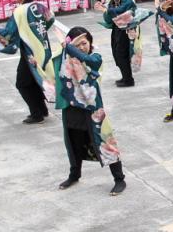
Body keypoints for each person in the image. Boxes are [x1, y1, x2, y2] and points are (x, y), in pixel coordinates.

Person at [54, 26, 126, 195]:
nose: (81, 47)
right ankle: (74, 174)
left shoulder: (95, 57)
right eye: (77, 44)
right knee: (73, 142)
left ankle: (119, 179)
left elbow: (89, 62)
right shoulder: (65, 56)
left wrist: (69, 46)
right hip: (72, 107)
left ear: (90, 42)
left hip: (93, 108)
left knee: (105, 141)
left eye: (84, 43)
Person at [0, 0, 57, 124]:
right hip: (43, 49)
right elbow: (51, 19)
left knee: (22, 83)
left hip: (29, 51)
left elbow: (8, 32)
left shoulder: (20, 11)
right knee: (33, 81)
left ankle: (37, 113)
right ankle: (41, 110)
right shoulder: (41, 6)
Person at [94, 0, 153, 87]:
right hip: (118, 26)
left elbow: (125, 8)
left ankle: (128, 79)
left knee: (122, 52)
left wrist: (106, 10)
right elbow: (112, 7)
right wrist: (103, 7)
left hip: (126, 27)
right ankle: (126, 77)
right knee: (117, 51)